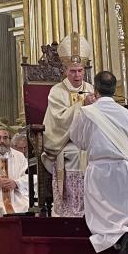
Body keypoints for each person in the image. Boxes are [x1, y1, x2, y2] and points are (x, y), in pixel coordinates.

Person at [69, 70, 128, 254]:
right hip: (124, 168)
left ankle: (122, 236)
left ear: (95, 89)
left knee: (101, 213)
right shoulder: (126, 113)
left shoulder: (87, 112)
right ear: (114, 89)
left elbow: (78, 140)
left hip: (99, 170)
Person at [43, 48, 94, 217]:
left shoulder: (90, 89)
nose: (77, 75)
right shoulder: (57, 91)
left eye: (80, 70)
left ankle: (93, 208)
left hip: (88, 141)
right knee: (76, 155)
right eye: (73, 71)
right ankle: (71, 209)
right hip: (65, 142)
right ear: (65, 71)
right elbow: (59, 120)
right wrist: (82, 105)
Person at [0, 126, 30, 217]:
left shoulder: (19, 156)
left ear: (10, 140)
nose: (2, 141)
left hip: (15, 194)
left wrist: (16, 183)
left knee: (27, 205)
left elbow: (29, 176)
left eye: (5, 138)